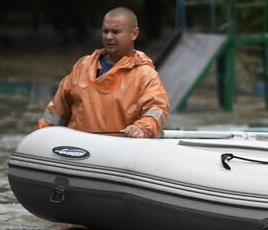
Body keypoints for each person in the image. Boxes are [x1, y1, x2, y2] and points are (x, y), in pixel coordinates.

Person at [37, 7, 169, 138]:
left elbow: (157, 109)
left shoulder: (145, 74)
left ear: (134, 34)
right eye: (105, 31)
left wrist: (141, 128)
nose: (109, 37)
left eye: (116, 32)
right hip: (74, 149)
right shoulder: (83, 66)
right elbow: (57, 110)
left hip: (117, 150)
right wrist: (43, 134)